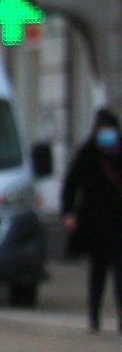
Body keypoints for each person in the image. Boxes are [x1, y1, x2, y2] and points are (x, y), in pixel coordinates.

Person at [60, 109, 122, 333]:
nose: (107, 135)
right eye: (103, 130)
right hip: (95, 224)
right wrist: (68, 213)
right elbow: (71, 184)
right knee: (97, 273)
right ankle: (94, 318)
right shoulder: (88, 154)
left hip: (118, 223)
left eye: (110, 130)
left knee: (119, 273)